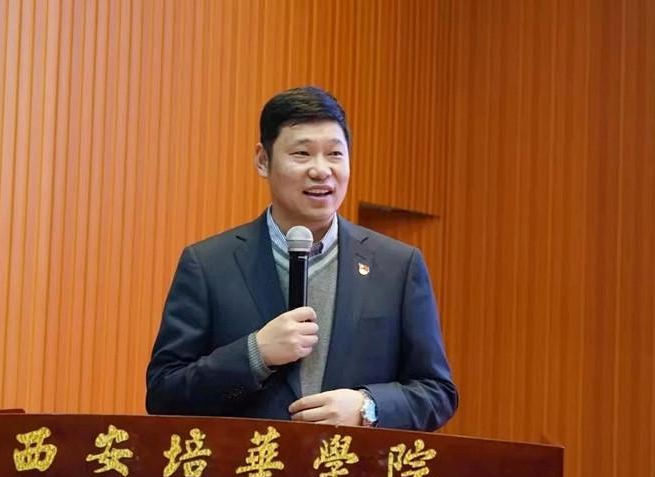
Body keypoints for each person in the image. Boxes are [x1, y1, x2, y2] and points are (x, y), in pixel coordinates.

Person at [146, 87, 457, 430]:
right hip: (251, 463)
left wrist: (368, 407)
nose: (321, 170)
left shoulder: (397, 266)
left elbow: (437, 392)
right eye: (302, 154)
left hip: (350, 463)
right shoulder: (208, 264)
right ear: (263, 160)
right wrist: (255, 354)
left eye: (334, 154)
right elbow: (164, 394)